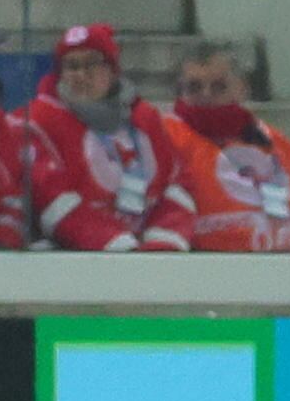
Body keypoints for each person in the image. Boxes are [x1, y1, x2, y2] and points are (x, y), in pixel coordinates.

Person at [22, 18, 189, 250]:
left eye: (92, 64)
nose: (81, 75)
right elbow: (51, 199)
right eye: (71, 66)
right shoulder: (38, 121)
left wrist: (163, 242)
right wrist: (118, 246)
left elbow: (175, 185)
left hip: (146, 255)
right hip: (73, 258)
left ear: (112, 70)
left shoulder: (144, 118)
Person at [165, 41, 290, 252]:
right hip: (208, 267)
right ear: (179, 91)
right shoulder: (165, 136)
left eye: (219, 86)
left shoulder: (274, 140)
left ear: (242, 88)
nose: (206, 95)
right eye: (194, 87)